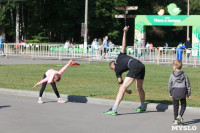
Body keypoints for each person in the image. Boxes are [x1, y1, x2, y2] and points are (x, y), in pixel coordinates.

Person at [104, 26, 146, 116]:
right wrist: (125, 32)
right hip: (140, 65)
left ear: (112, 67)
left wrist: (126, 90)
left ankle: (114, 109)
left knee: (122, 89)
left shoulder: (117, 71)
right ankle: (142, 106)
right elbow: (124, 45)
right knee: (139, 88)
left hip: (134, 66)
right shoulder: (120, 56)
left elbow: (121, 85)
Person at [168, 60, 191, 125]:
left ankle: (176, 119)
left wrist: (170, 92)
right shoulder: (184, 74)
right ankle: (180, 115)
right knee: (183, 105)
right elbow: (188, 83)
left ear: (175, 67)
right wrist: (188, 93)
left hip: (175, 91)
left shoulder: (172, 75)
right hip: (182, 91)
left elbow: (170, 84)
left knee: (175, 106)